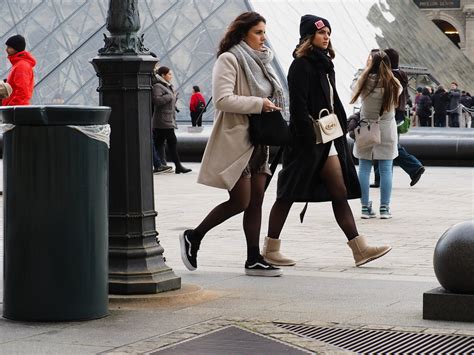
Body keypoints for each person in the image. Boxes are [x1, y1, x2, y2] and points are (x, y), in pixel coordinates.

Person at [263, 15, 391, 267]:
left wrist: (341, 128)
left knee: (339, 191)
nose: (326, 37)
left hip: (328, 138)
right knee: (287, 194)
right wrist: (309, 138)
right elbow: (298, 107)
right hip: (307, 142)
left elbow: (333, 102)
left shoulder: (325, 65)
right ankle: (270, 248)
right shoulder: (300, 65)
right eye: (321, 33)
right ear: (309, 37)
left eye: (328, 33)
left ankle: (359, 248)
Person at [179, 11, 284, 276]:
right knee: (240, 200)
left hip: (260, 140)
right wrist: (259, 103)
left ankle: (253, 259)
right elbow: (223, 99)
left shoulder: (263, 62)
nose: (264, 38)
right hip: (237, 139)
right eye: (258, 32)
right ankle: (194, 235)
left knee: (257, 201)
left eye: (264, 32)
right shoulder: (230, 59)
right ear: (242, 33)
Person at [351, 50, 401, 220]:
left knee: (364, 168)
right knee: (386, 169)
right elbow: (399, 96)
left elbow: (353, 87)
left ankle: (365, 207)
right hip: (387, 129)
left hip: (366, 128)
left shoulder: (363, 82)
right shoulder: (393, 84)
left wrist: (365, 69)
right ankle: (385, 208)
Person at [152, 66, 191, 174]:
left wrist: (173, 97)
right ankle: (178, 166)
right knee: (172, 142)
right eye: (169, 74)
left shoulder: (166, 86)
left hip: (165, 120)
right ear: (163, 75)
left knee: (159, 143)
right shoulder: (158, 86)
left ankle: (160, 165)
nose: (171, 76)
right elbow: (157, 100)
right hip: (163, 121)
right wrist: (171, 97)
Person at [3, 34, 36, 106]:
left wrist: (12, 107)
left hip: (16, 110)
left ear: (16, 49)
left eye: (9, 47)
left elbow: (23, 91)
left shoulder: (21, 66)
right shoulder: (19, 64)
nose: (6, 50)